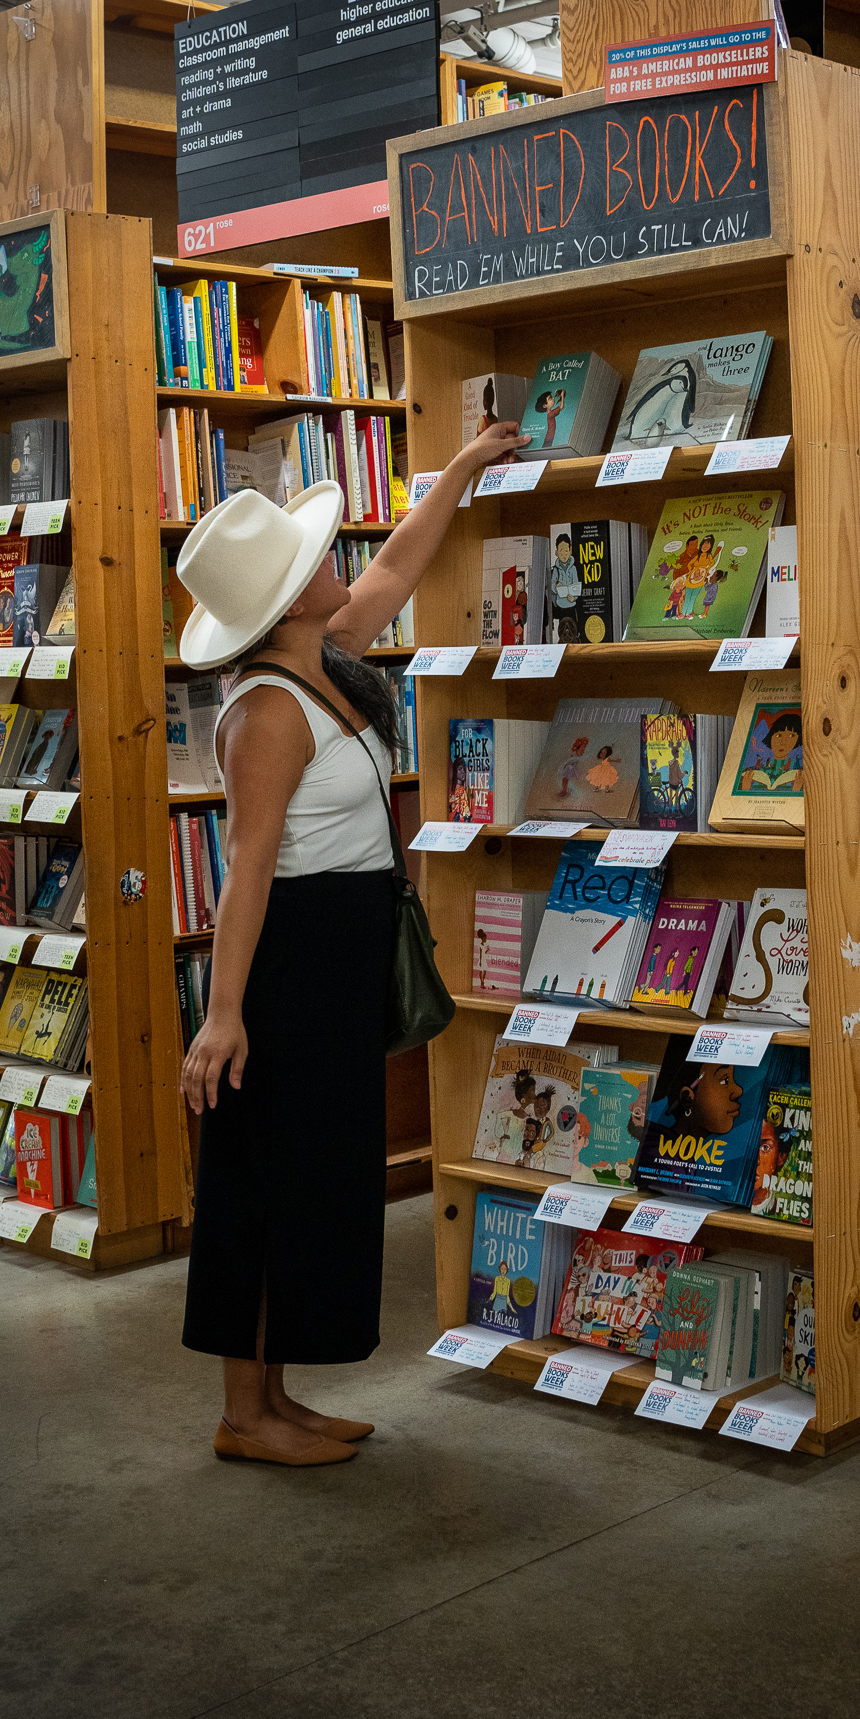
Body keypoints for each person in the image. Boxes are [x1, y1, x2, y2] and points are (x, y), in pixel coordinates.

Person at [178, 415, 524, 1468]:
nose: (335, 563)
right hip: (285, 959)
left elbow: (393, 565)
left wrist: (460, 468)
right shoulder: (270, 711)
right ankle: (245, 1412)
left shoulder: (326, 659)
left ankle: (276, 1398)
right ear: (284, 604)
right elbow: (246, 866)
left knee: (316, 1171)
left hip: (335, 951)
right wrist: (226, 1013)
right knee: (260, 1174)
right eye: (310, 561)